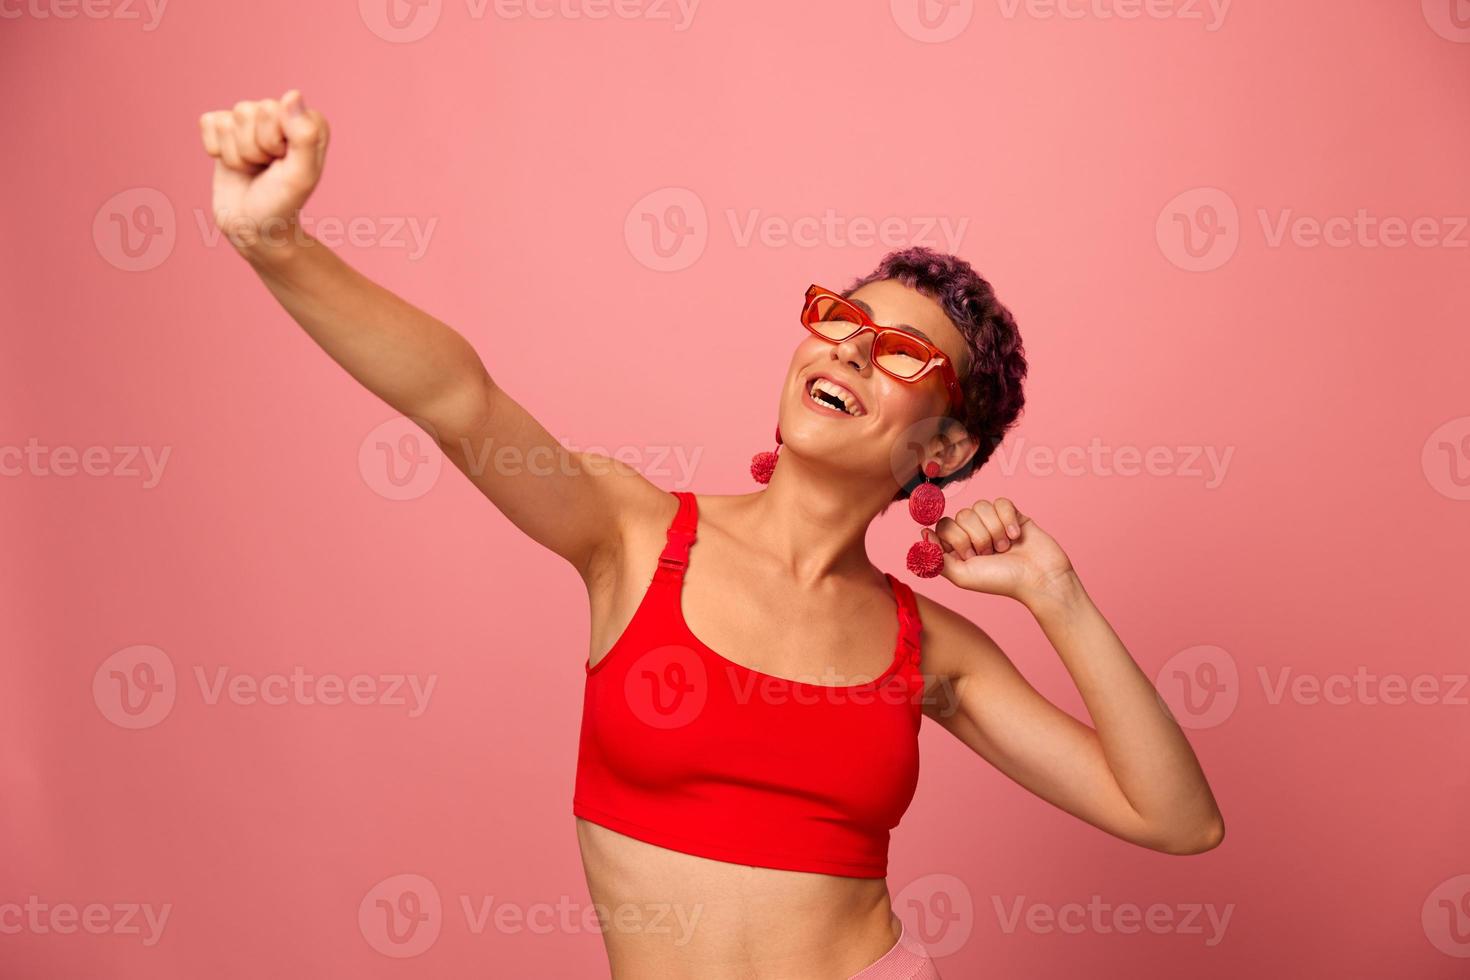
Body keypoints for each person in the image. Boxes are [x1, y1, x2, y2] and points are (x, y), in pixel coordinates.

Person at [197, 90, 1225, 980]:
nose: (852, 351)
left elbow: (1178, 819)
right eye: (840, 320)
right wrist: (276, 243)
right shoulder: (632, 533)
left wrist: (1056, 589)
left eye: (902, 352)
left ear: (945, 449)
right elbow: (460, 400)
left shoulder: (932, 650)